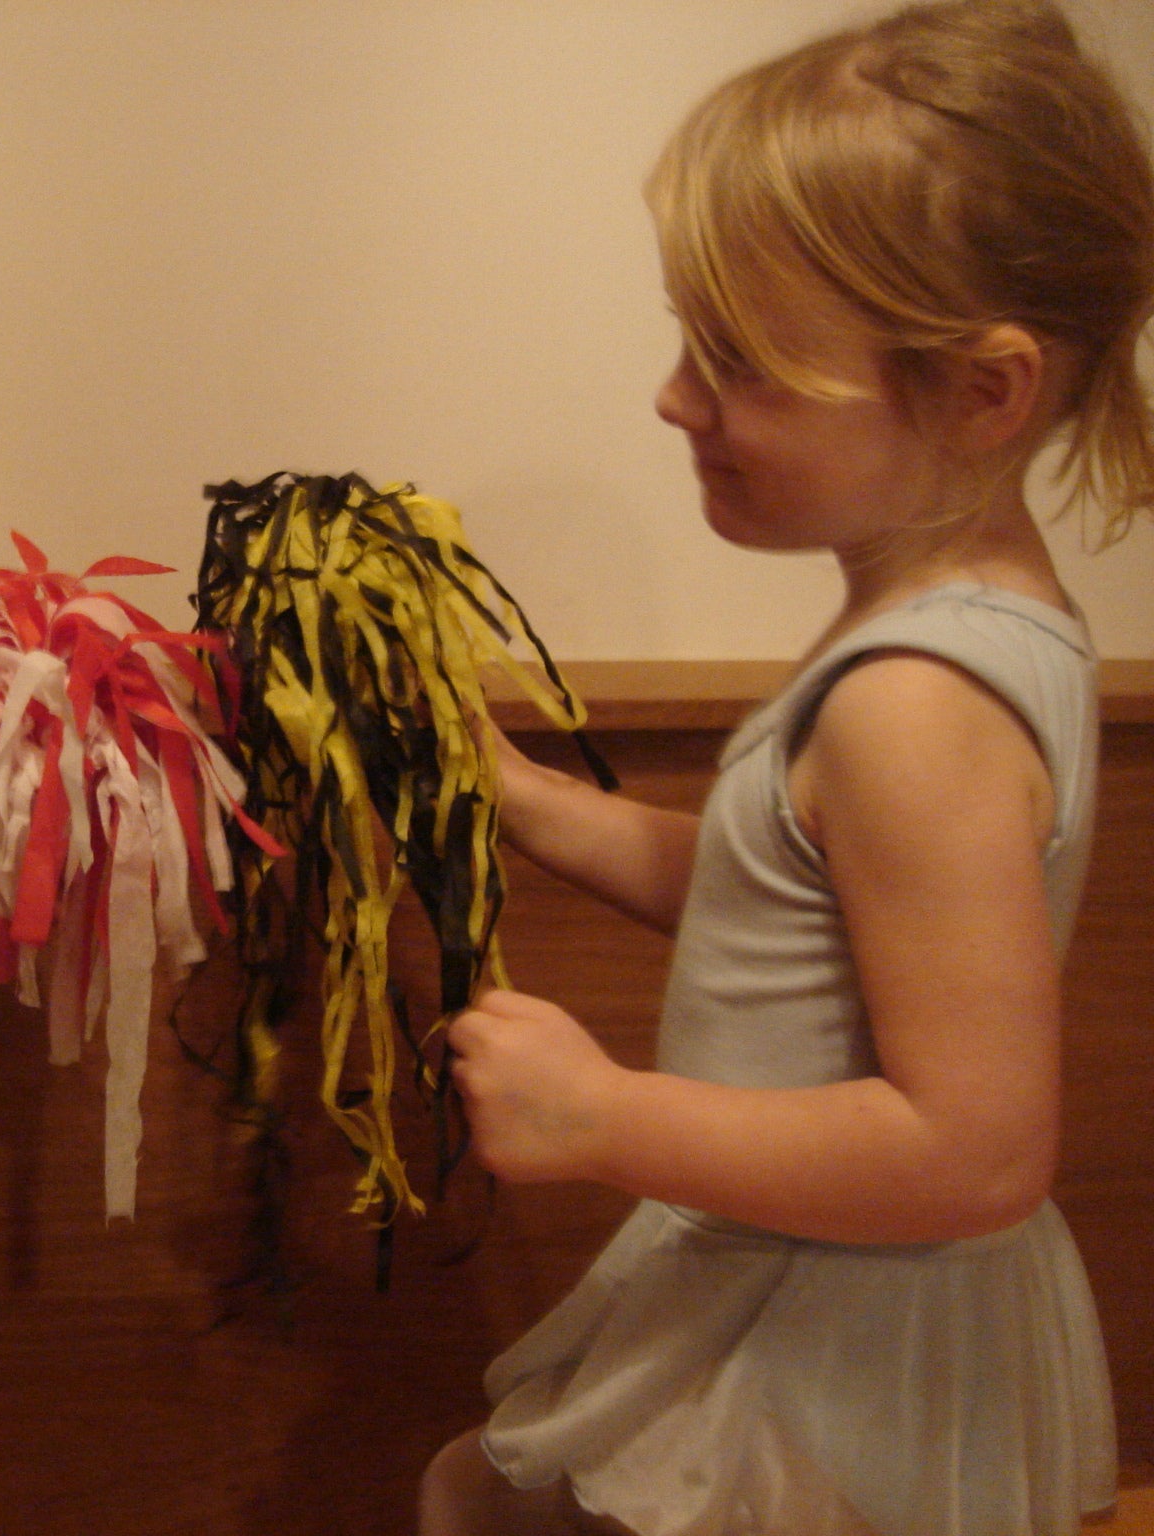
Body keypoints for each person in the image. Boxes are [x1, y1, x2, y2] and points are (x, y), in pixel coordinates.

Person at [421, 2, 1153, 1533]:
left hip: (838, 1335)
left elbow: (976, 1149)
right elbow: (799, 904)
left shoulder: (911, 706)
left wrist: (602, 1116)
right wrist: (528, 796)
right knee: (477, 1502)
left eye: (739, 362)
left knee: (480, 1504)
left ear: (983, 392)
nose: (678, 400)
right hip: (836, 1292)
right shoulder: (977, 633)